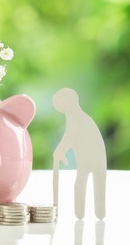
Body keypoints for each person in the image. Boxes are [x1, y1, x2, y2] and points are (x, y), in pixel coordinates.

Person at [53, 88, 106, 220]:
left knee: (91, 184)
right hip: (86, 160)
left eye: (61, 103)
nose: (60, 107)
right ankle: (84, 214)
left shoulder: (78, 118)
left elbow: (70, 137)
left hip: (93, 159)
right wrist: (60, 151)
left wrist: (59, 151)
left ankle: (96, 213)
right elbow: (70, 137)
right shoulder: (75, 117)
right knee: (85, 183)